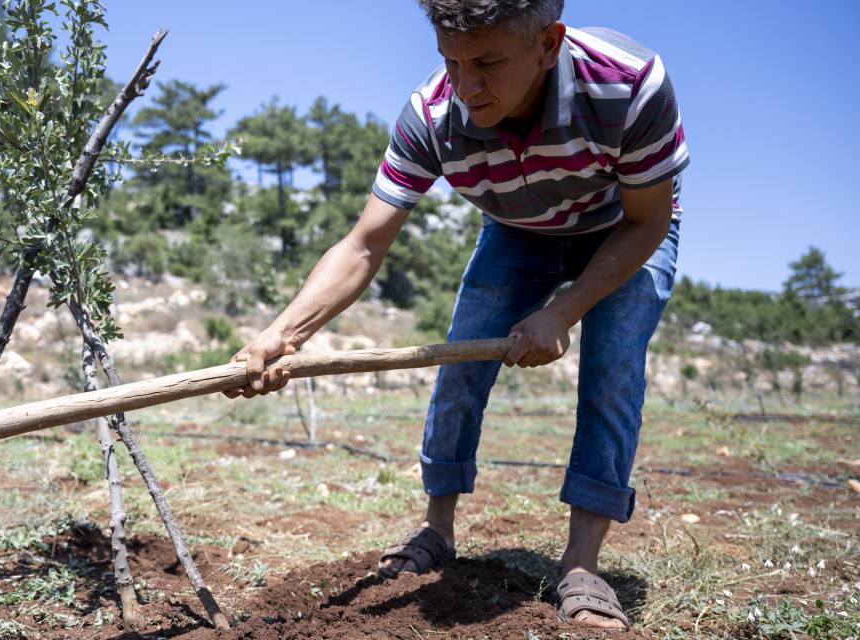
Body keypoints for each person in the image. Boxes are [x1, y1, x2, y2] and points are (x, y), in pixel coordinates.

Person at [223, 0, 688, 629]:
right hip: (517, 232)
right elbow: (365, 244)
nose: (467, 87)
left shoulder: (628, 86)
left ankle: (581, 565)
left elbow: (648, 221)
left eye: (488, 63)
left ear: (549, 43)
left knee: (613, 371)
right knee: (459, 370)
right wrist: (281, 335)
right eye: (452, 61)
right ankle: (436, 528)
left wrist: (564, 310)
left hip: (622, 228)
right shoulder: (434, 114)